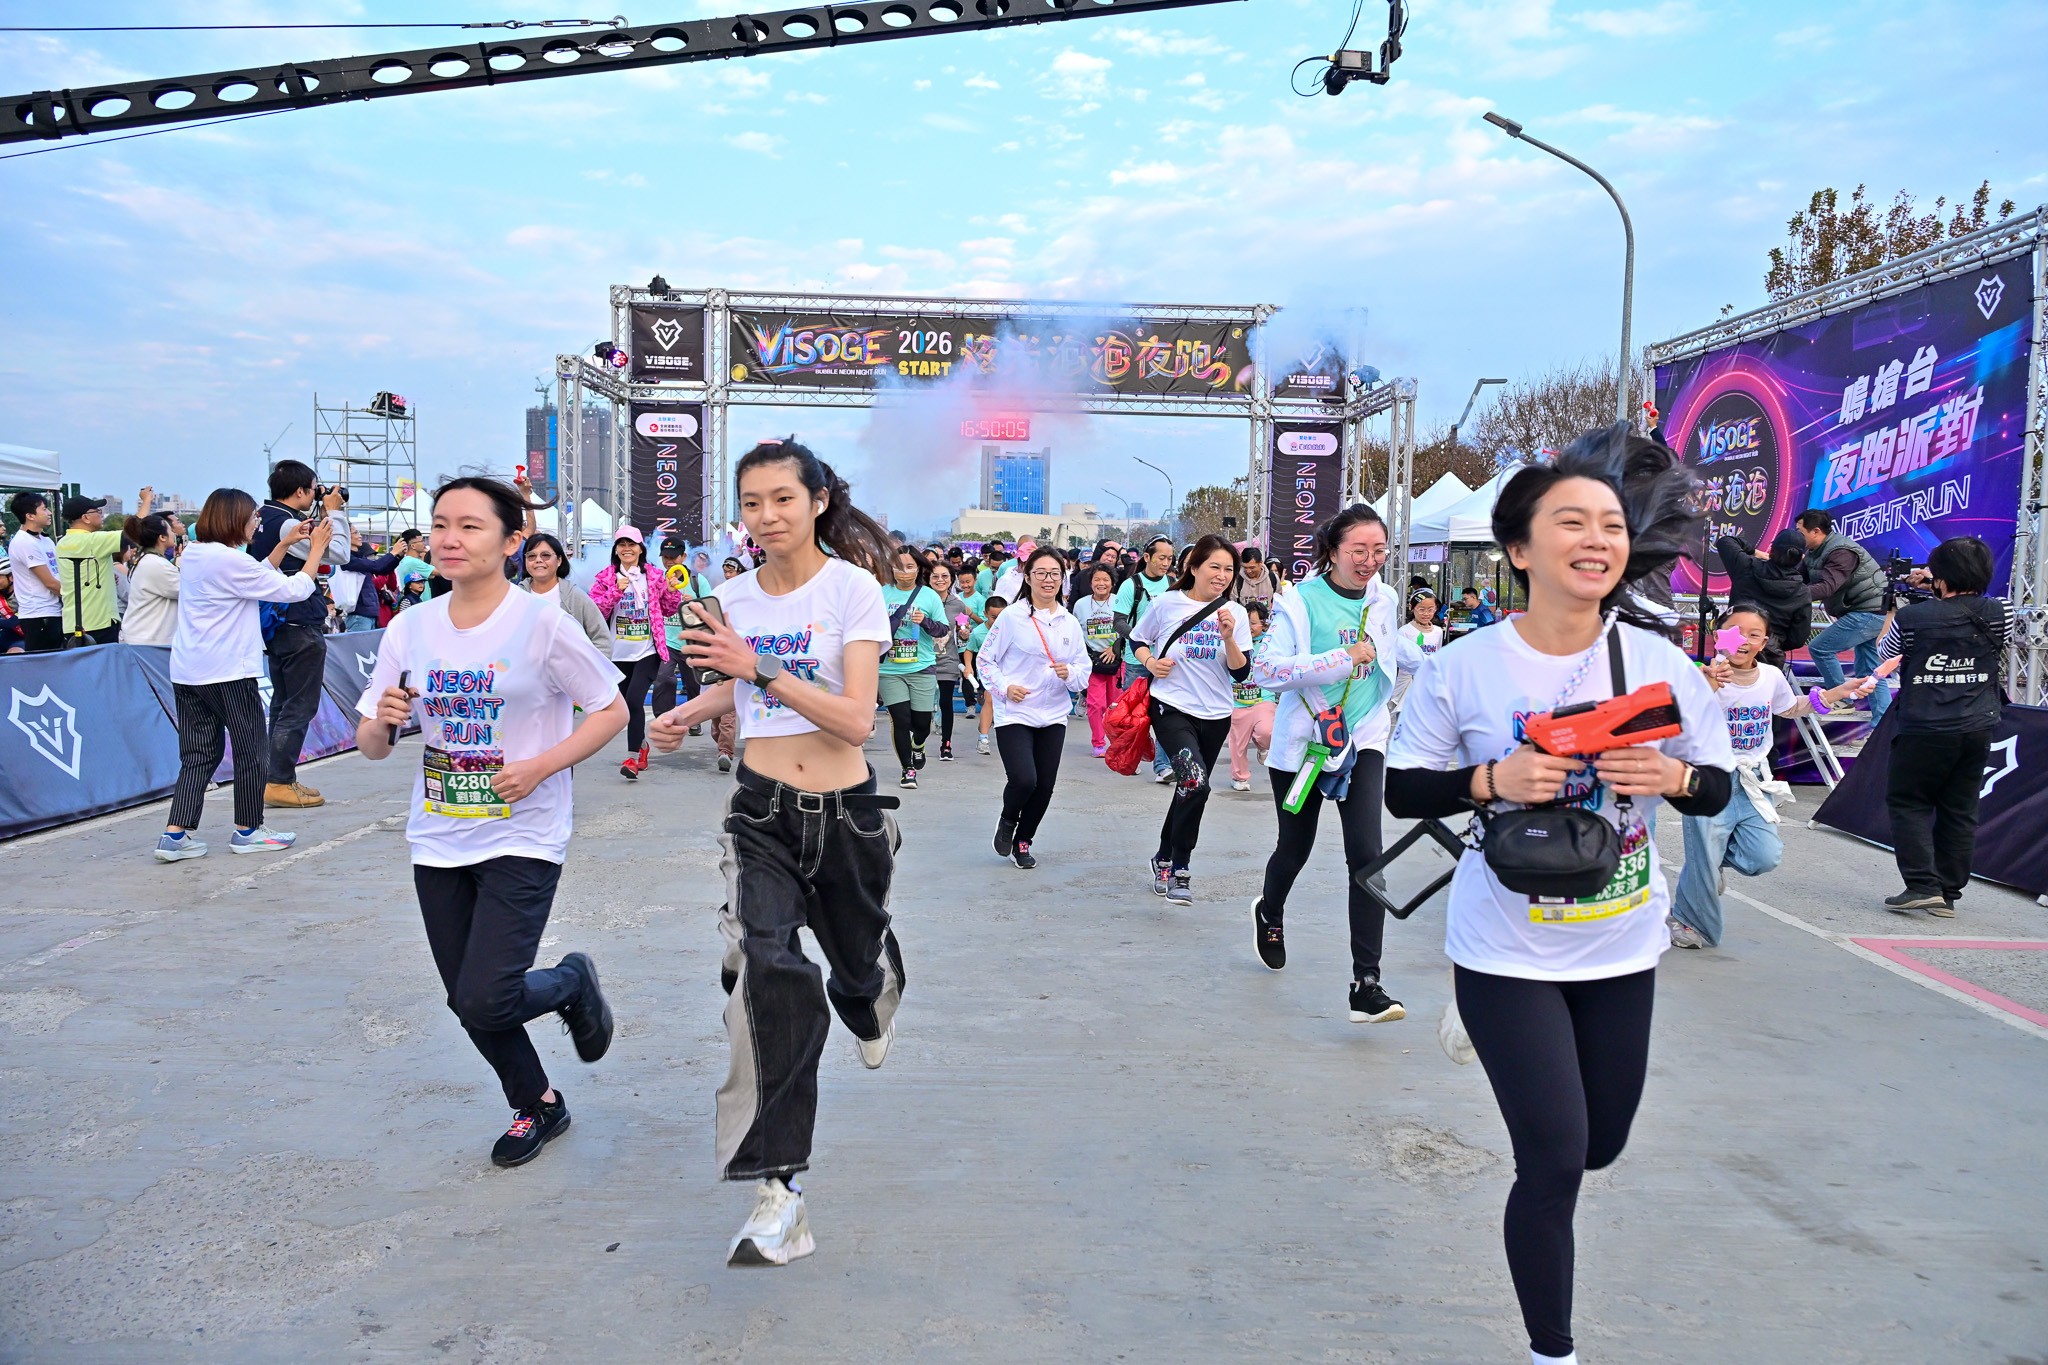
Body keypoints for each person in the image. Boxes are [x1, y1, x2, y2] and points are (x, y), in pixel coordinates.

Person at [1384, 427, 1735, 1365]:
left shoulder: (1661, 666)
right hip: (1503, 946)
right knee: (1551, 1157)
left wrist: (1671, 775)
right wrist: (1491, 780)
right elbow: (1403, 788)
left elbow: (1717, 787)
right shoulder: (1464, 665)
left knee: (1599, 1143)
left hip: (1621, 942)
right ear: (1519, 548)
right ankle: (1554, 1352)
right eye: (1571, 521)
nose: (1597, 539)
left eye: (1612, 524)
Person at [647, 437, 904, 1269]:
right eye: (752, 503)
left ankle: (871, 985)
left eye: (783, 499)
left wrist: (755, 668)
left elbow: (856, 718)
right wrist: (688, 713)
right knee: (768, 971)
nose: (766, 516)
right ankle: (779, 1190)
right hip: (760, 812)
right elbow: (737, 683)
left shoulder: (853, 588)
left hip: (849, 817)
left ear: (818, 501)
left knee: (852, 970)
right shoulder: (729, 596)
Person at [356, 476, 626, 1169]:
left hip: (524, 830)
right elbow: (371, 743)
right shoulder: (410, 627)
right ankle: (538, 1103)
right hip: (439, 833)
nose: (450, 538)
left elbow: (611, 710)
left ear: (511, 542)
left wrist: (541, 766)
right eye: (441, 524)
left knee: (487, 995)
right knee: (467, 999)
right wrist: (383, 722)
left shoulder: (543, 624)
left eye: (470, 526)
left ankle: (569, 981)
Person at [1249, 505, 1402, 1020]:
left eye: (1378, 550)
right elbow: (1266, 670)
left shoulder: (1385, 599)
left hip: (1363, 739)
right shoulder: (1299, 601)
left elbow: (1387, 662)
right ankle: (1270, 912)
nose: (1369, 560)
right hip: (1305, 746)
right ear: (1332, 551)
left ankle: (1367, 983)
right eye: (1359, 550)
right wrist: (1340, 659)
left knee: (1368, 854)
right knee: (1295, 847)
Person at [1669, 605, 1870, 949]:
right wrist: (1708, 685)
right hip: (1708, 780)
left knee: (1763, 856)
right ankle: (1688, 923)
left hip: (1753, 782)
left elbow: (1790, 708)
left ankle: (1711, 864)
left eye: (1754, 634)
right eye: (1736, 631)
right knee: (1703, 857)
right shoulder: (1701, 675)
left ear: (1763, 643)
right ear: (1718, 635)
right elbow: (1679, 719)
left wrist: (1839, 691)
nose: (1744, 640)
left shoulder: (1771, 676)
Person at [156, 488, 334, 863]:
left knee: (198, 754)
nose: (257, 523)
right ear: (234, 520)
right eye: (253, 517)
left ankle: (176, 834)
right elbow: (294, 589)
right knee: (252, 751)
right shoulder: (229, 560)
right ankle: (249, 830)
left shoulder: (196, 554)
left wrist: (285, 543)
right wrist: (316, 549)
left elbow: (256, 575)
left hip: (189, 672)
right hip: (228, 672)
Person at [1874, 535, 2009, 916]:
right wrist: (1939, 586)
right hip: (1977, 725)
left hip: (1924, 726)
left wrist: (1899, 606)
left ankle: (1922, 884)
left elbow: (1885, 653)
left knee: (1909, 802)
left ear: (1941, 577)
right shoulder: (2001, 611)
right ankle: (1948, 893)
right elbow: (1971, 610)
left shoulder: (1912, 618)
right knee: (1960, 808)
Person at [1130, 534, 1254, 906]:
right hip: (1171, 707)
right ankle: (1180, 867)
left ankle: (1163, 856)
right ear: (1194, 567)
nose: (1222, 575)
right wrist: (1151, 663)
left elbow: (1241, 673)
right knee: (1196, 783)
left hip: (1216, 715)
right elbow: (1137, 640)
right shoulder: (1167, 603)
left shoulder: (1234, 614)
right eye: (1214, 566)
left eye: (1229, 569)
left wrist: (1229, 638)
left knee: (1189, 787)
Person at [979, 546, 1090, 869]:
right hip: (1016, 711)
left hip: (1053, 713)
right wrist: (1005, 687)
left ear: (1063, 579)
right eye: (1040, 573)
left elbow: (1083, 671)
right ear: (1027, 577)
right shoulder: (1012, 617)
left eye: (1055, 573)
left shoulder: (1070, 622)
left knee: (1045, 787)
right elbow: (986, 661)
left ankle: (1023, 841)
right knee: (1024, 780)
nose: (1048, 579)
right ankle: (1008, 818)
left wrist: (1070, 674)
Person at [248, 462, 349, 810]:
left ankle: (276, 777)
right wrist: (335, 514)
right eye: (314, 488)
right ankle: (278, 781)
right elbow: (339, 554)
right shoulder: (288, 523)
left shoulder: (263, 517)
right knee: (299, 706)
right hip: (298, 623)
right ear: (300, 491)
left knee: (282, 703)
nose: (317, 494)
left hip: (276, 624)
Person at [589, 526, 683, 780]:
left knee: (634, 701)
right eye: (622, 544)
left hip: (647, 651)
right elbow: (595, 611)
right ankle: (641, 745)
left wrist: (672, 592)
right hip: (617, 653)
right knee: (623, 707)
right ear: (616, 549)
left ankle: (631, 758)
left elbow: (669, 609)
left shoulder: (654, 576)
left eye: (632, 544)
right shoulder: (605, 577)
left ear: (641, 549)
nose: (627, 549)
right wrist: (615, 591)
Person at [1798, 508, 1891, 722]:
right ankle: (1883, 730)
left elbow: (1827, 587)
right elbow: (1798, 580)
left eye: (1800, 531)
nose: (1797, 536)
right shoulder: (1814, 552)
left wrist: (1791, 595)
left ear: (1816, 531)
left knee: (1820, 648)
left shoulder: (1841, 552)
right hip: (1868, 610)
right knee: (1870, 672)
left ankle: (1842, 700)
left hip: (1870, 611)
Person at [879, 545, 948, 789]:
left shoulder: (929, 596)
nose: (904, 571)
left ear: (918, 568)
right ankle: (907, 769)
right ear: (891, 567)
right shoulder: (881, 593)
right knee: (900, 720)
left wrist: (925, 621)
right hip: (889, 669)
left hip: (921, 667)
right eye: (899, 566)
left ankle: (918, 745)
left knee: (921, 724)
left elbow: (943, 629)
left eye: (910, 566)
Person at [1115, 535, 1177, 782]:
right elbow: (1118, 621)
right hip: (1136, 661)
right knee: (1135, 717)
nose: (1166, 563)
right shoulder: (1131, 585)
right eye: (1161, 558)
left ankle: (1163, 766)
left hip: (1165, 662)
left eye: (1169, 558)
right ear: (1147, 557)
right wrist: (1140, 638)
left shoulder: (1173, 584)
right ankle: (1131, 758)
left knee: (1165, 714)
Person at [56, 489, 152, 645]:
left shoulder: (63, 542)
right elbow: (134, 531)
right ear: (85, 518)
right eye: (97, 511)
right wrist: (146, 500)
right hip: (98, 623)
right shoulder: (91, 540)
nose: (101, 515)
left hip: (74, 622)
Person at [1713, 529, 1810, 664]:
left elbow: (1725, 541)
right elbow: (1798, 638)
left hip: (1732, 647)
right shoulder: (1802, 592)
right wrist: (1771, 641)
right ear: (1802, 557)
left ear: (1770, 550)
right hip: (1769, 655)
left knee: (1725, 677)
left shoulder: (1746, 566)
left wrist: (1755, 552)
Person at [518, 533, 613, 653]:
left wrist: (591, 664)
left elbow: (601, 639)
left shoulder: (576, 597)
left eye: (546, 555)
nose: (538, 560)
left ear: (559, 560)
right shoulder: (516, 597)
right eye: (531, 556)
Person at [1226, 599, 1276, 792]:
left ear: (1263, 624)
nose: (1248, 627)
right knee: (1237, 743)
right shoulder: (1232, 641)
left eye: (1253, 623)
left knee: (1267, 732)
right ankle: (1239, 777)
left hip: (1263, 699)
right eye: (1244, 622)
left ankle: (1263, 746)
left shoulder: (1271, 642)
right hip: (1236, 702)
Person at [1072, 563, 1121, 757]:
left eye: (1105, 580)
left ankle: (1116, 743)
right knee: (1096, 704)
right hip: (1092, 661)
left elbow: (1129, 628)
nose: (1101, 583)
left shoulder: (1120, 601)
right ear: (1090, 583)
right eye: (1097, 579)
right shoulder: (1081, 605)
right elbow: (1076, 633)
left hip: (1117, 660)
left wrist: (1115, 648)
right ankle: (1099, 744)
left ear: (1112, 583)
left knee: (1115, 704)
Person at [7, 492, 64, 653]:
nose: (49, 513)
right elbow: (50, 583)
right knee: (42, 663)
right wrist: (79, 598)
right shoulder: (24, 542)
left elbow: (58, 573)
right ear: (30, 516)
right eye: (44, 509)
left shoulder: (45, 540)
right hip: (38, 615)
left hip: (53, 611)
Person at [928, 562, 971, 762]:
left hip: (947, 660)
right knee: (919, 706)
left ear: (952, 579)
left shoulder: (958, 604)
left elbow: (963, 631)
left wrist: (964, 633)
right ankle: (917, 742)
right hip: (922, 660)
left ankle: (946, 744)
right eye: (935, 576)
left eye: (944, 576)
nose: (940, 580)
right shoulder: (922, 600)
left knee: (946, 703)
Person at [118, 513, 182, 648]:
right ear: (162, 537)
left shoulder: (146, 558)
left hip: (141, 637)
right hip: (149, 641)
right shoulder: (156, 564)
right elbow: (187, 590)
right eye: (170, 530)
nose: (174, 534)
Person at [332, 526, 404, 633]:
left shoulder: (359, 557)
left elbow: (382, 570)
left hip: (369, 613)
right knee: (359, 644)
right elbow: (377, 566)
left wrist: (397, 557)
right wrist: (393, 553)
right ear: (345, 536)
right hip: (358, 614)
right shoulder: (346, 559)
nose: (360, 536)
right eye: (356, 533)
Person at [1391, 588, 1444, 710]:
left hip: (1428, 680)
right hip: (1407, 681)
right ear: (1412, 607)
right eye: (1421, 609)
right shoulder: (1404, 631)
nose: (1426, 613)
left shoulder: (1438, 632)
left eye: (1430, 609)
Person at [965, 596, 1004, 756]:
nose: (997, 621)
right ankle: (983, 739)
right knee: (990, 700)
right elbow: (969, 650)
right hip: (987, 673)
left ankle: (985, 722)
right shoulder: (978, 632)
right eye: (994, 617)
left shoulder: (1010, 629)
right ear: (985, 614)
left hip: (1006, 673)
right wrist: (968, 666)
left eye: (1001, 616)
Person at [1233, 545, 1283, 610]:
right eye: (1245, 567)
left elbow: (1279, 602)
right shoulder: (1237, 580)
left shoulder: (1273, 578)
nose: (1248, 571)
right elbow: (1232, 605)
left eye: (1252, 567)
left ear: (1260, 563)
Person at [0, 556, 26, 654]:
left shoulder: (24, 594)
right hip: (3, 635)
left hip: (20, 638)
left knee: (15, 653)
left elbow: (14, 621)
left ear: (12, 577)